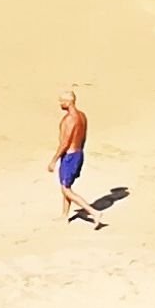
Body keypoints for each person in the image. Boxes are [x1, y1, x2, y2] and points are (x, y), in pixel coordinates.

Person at [54, 89, 96, 225]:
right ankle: (64, 215)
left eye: (61, 101)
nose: (60, 103)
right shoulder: (82, 116)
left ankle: (93, 212)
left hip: (69, 156)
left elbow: (65, 142)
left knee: (66, 189)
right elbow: (83, 137)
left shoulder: (70, 120)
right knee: (65, 186)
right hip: (78, 153)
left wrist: (53, 160)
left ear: (68, 102)